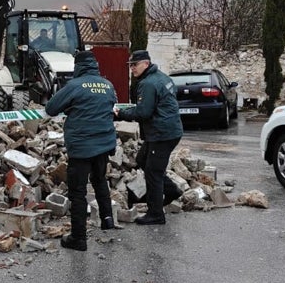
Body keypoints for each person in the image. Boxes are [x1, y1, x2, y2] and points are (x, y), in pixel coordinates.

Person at [45, 50, 118, 251]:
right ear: (95, 65)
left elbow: (51, 108)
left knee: (77, 192)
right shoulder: (108, 85)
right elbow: (109, 107)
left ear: (77, 67)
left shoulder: (75, 86)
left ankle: (78, 238)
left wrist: (70, 107)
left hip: (81, 147)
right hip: (104, 143)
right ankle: (107, 219)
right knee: (100, 181)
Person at [114, 50, 184, 225]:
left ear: (146, 63)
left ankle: (156, 214)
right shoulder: (163, 77)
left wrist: (120, 114)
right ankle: (172, 191)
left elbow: (143, 112)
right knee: (142, 159)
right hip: (169, 130)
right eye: (130, 65)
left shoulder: (148, 84)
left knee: (153, 171)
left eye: (135, 65)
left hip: (162, 134)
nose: (132, 69)